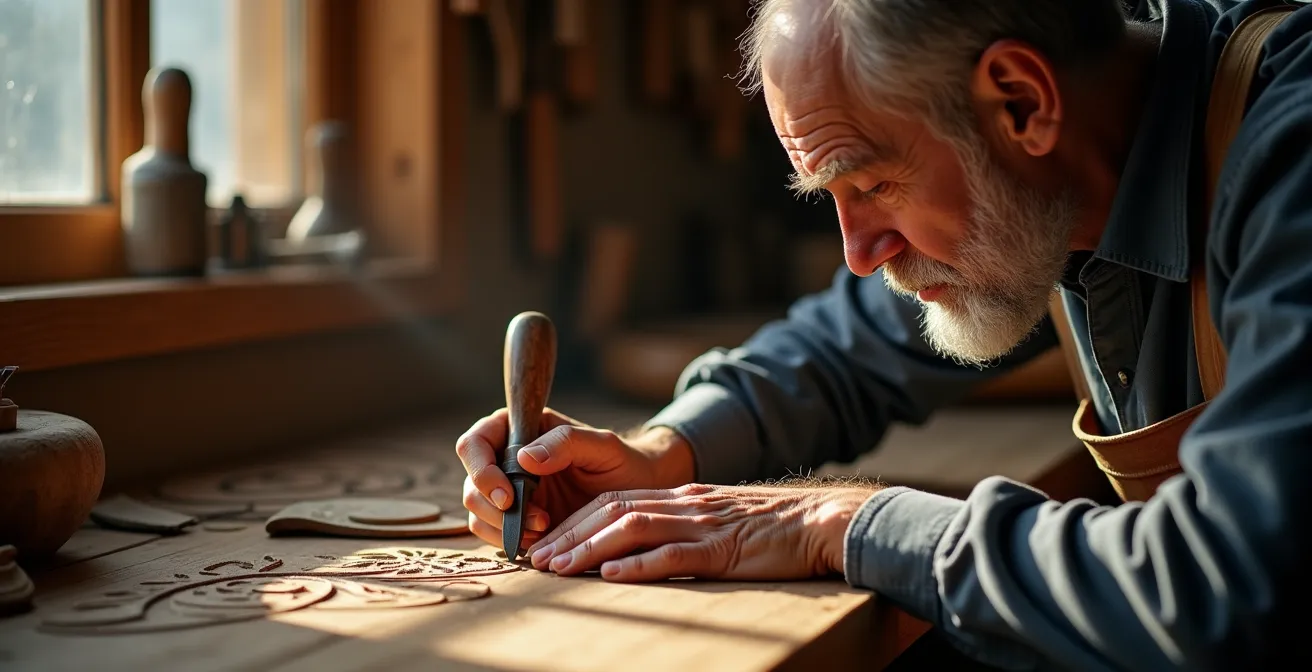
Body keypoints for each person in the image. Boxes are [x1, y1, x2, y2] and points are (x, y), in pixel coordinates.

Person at [455, 0, 1312, 668]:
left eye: (870, 183)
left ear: (1021, 100)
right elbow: (843, 347)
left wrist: (846, 523)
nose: (859, 254)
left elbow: (1223, 590)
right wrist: (664, 453)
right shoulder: (1050, 182)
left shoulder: (1288, 148)